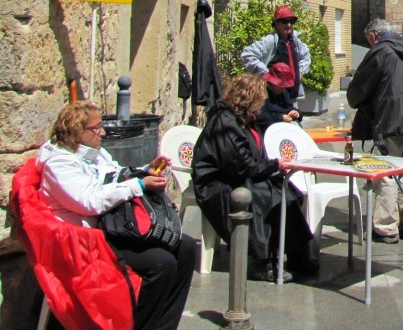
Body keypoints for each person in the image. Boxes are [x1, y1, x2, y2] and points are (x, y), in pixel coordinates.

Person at [37, 101, 196, 330]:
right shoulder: (59, 163)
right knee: (161, 264)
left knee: (186, 248)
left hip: (109, 228)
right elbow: (89, 201)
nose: (103, 132)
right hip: (86, 242)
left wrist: (144, 170)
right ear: (76, 130)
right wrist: (139, 185)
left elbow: (114, 173)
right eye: (96, 127)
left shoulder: (95, 153)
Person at [192, 73, 314, 283]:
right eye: (260, 99)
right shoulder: (225, 121)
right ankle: (262, 261)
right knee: (263, 195)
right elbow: (241, 164)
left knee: (286, 191)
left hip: (236, 177)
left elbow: (249, 161)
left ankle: (297, 253)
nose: (262, 103)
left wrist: (273, 168)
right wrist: (274, 165)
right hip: (215, 184)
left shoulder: (244, 120)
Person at [347, 18, 403, 243]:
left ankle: (385, 227)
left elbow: (360, 87)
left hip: (390, 118)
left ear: (373, 36)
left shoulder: (381, 51)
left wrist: (355, 99)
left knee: (388, 172)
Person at [240, 5, 310, 101]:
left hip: (292, 96)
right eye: (284, 21)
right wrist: (266, 74)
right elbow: (247, 55)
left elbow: (306, 57)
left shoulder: (295, 41)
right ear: (276, 23)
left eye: (291, 21)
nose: (288, 25)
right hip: (273, 97)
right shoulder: (270, 41)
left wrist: (301, 72)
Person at [254, 62, 302, 134]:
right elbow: (259, 116)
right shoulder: (261, 93)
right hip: (266, 132)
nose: (283, 88)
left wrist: (296, 113)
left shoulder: (284, 93)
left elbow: (289, 108)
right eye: (280, 85)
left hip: (282, 131)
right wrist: (280, 118)